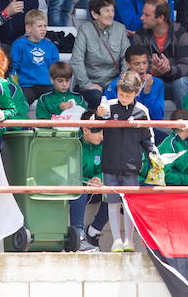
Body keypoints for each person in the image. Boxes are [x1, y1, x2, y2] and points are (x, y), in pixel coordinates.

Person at [94, 70, 157, 252]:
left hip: (131, 166)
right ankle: (116, 241)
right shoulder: (108, 106)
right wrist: (98, 114)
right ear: (117, 90)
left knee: (129, 204)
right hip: (110, 163)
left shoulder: (142, 111)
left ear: (136, 93)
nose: (124, 98)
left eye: (128, 95)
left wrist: (154, 157)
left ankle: (129, 240)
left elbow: (148, 139)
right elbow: (93, 127)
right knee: (112, 203)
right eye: (121, 94)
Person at [132, 0, 188, 108]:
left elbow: (187, 66)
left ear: (160, 18)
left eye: (147, 15)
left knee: (182, 83)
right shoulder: (140, 36)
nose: (141, 18)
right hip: (153, 81)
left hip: (175, 81)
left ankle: (186, 122)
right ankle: (149, 124)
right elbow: (135, 65)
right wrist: (153, 71)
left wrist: (169, 70)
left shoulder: (180, 32)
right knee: (148, 81)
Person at [71, 0, 130, 108]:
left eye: (112, 11)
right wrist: (87, 84)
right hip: (91, 83)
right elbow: (76, 60)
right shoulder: (85, 29)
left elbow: (126, 58)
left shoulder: (120, 29)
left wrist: (122, 82)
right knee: (96, 97)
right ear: (94, 14)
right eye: (106, 11)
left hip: (114, 83)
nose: (111, 14)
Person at [71, 110, 107, 252]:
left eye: (103, 132)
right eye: (98, 132)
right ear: (85, 129)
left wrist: (100, 178)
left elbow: (109, 168)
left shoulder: (104, 146)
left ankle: (93, 230)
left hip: (97, 189)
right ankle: (78, 235)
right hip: (78, 191)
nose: (101, 136)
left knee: (117, 191)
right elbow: (69, 173)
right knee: (79, 187)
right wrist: (87, 181)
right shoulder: (74, 145)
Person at [10, 10, 60, 104]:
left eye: (45, 26)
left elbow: (56, 68)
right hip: (26, 85)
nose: (43, 29)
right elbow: (13, 69)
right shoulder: (19, 45)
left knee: (55, 101)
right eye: (39, 26)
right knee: (21, 102)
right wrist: (14, 86)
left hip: (47, 85)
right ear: (29, 28)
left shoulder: (51, 46)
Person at [103, 44, 164, 122]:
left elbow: (157, 117)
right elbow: (107, 113)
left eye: (144, 63)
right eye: (137, 64)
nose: (142, 68)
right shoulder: (117, 84)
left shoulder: (157, 83)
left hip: (148, 127)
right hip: (122, 127)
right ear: (128, 64)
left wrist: (148, 93)